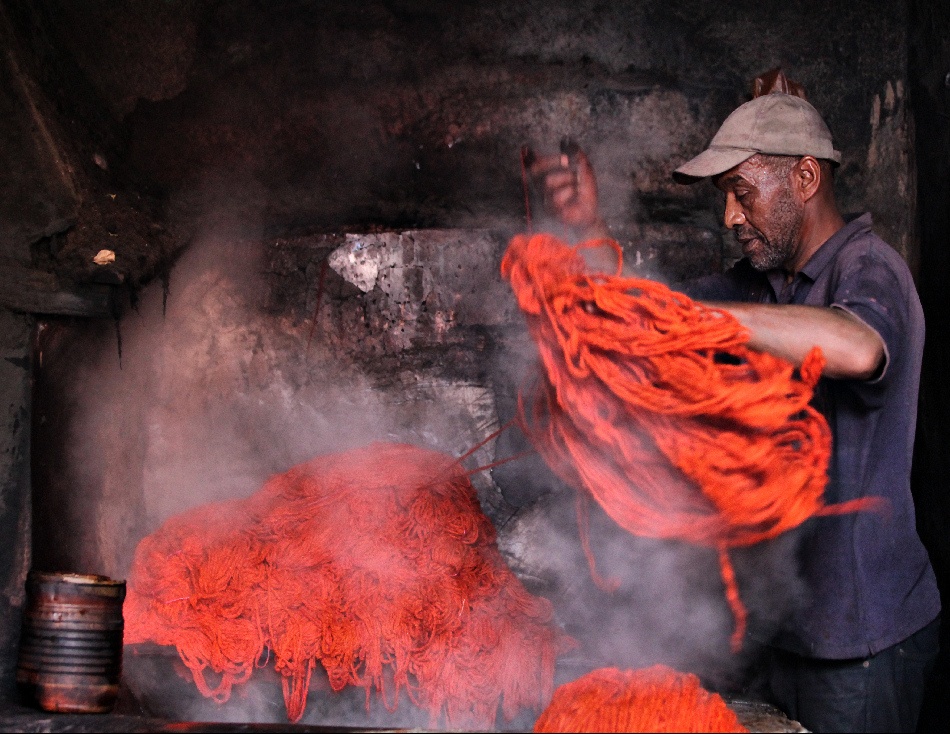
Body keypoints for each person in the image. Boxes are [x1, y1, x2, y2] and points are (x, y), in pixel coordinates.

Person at [529, 91, 941, 733]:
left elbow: (859, 347)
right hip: (779, 635)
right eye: (725, 196)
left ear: (806, 177)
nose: (729, 216)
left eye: (742, 192)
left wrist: (702, 320)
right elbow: (639, 312)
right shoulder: (757, 283)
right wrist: (587, 230)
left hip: (860, 644)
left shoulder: (869, 267)